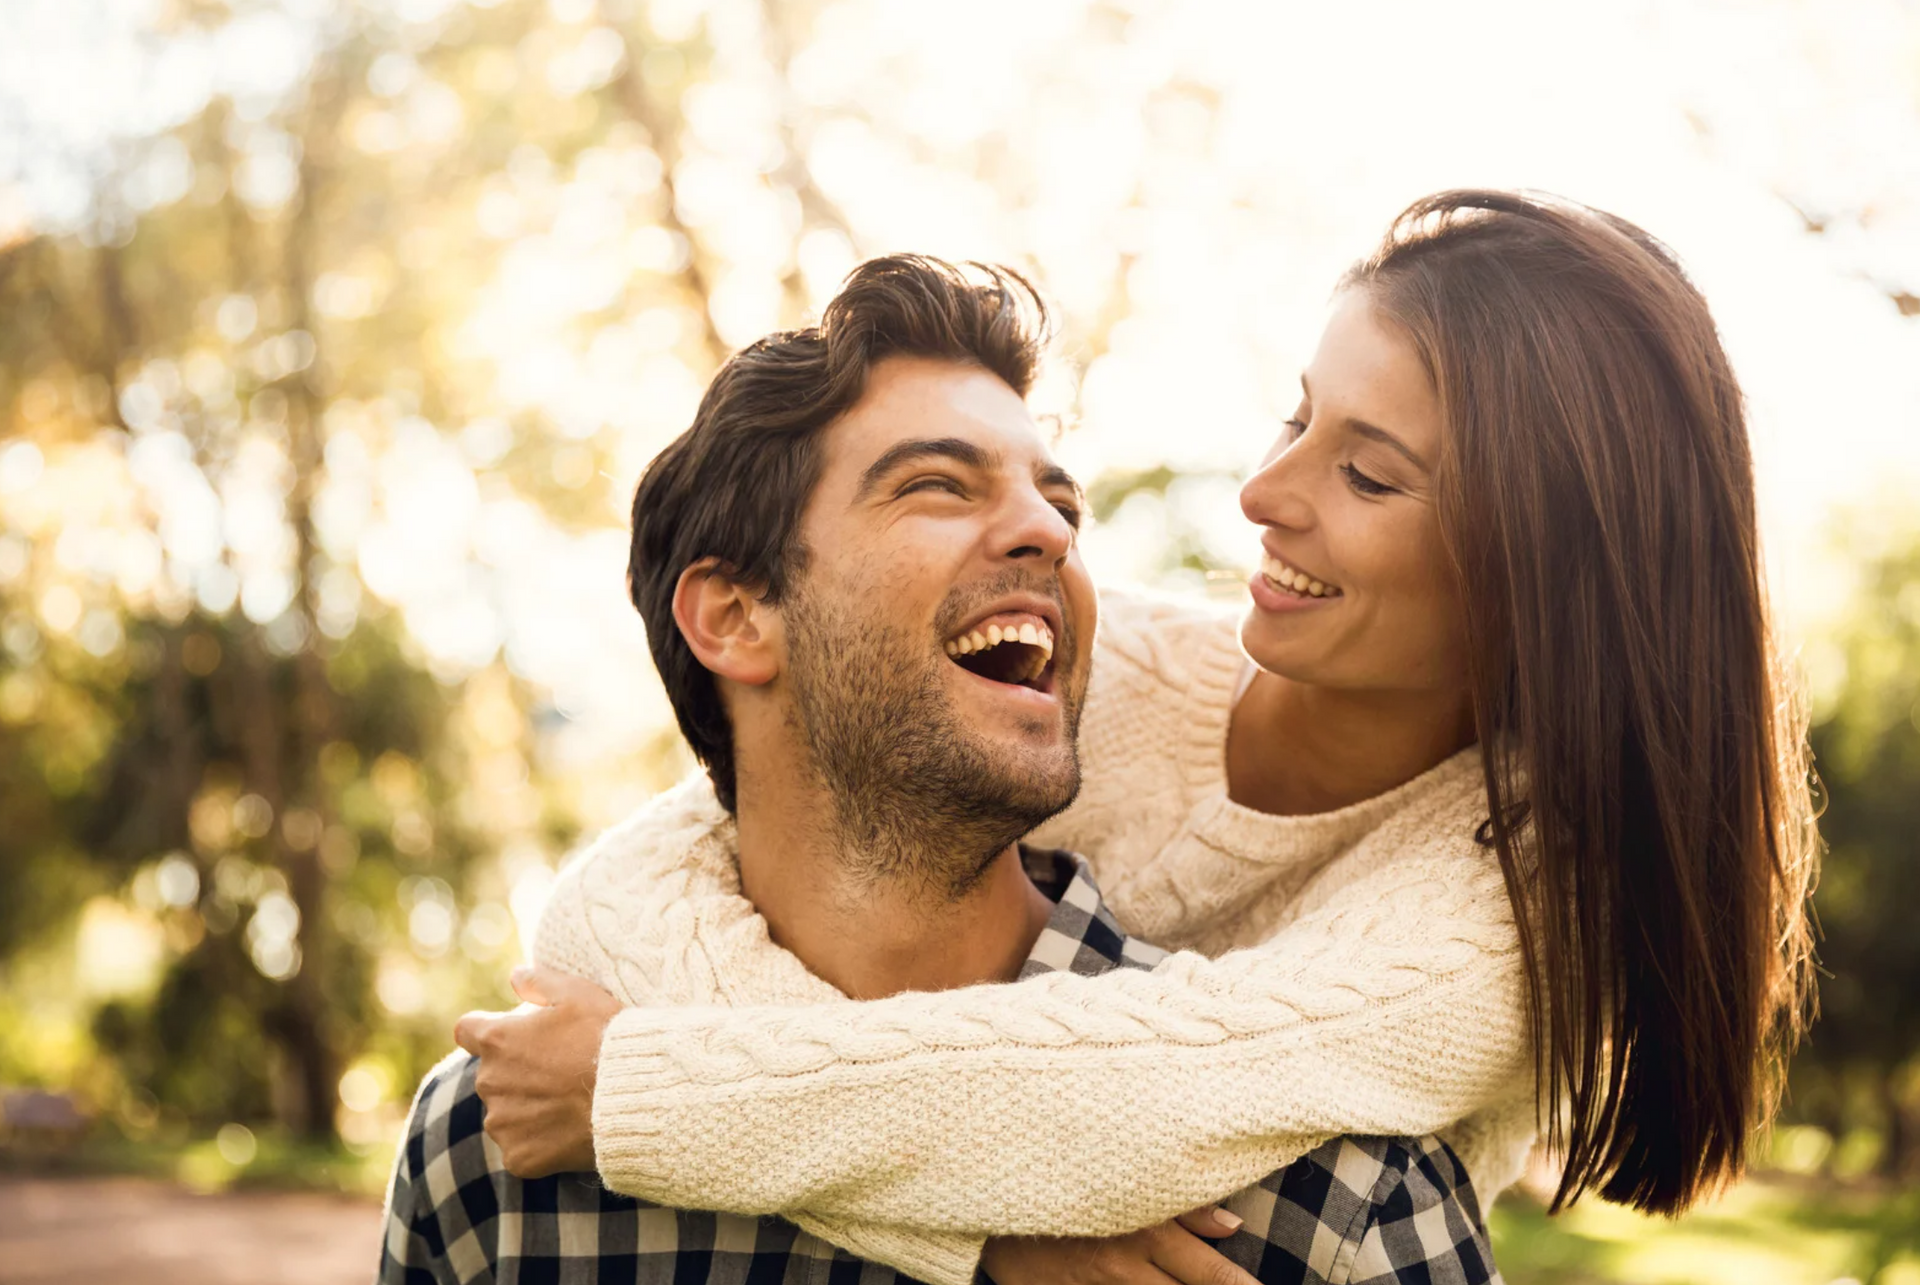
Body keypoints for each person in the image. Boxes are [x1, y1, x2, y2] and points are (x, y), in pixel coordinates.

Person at [464, 192, 1819, 1285]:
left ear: (1535, 579)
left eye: (1366, 471)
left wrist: (641, 1097)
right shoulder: (1084, 670)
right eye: (1299, 417)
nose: (1260, 492)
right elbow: (649, 876)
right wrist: (978, 1229)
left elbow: (1140, 1102)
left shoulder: (1502, 912)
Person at [381, 254, 1499, 1285]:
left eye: (1063, 506)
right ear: (733, 615)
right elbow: (633, 874)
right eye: (939, 486)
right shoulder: (494, 1157)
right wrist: (970, 1225)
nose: (1053, 536)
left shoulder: (1330, 1209)